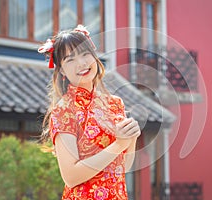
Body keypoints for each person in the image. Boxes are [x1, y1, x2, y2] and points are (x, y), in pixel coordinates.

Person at [38, 24, 141, 200]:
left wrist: (130, 140)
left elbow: (122, 168)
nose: (82, 63)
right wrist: (118, 145)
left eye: (85, 54)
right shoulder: (64, 110)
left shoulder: (115, 104)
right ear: (62, 69)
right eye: (70, 59)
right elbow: (70, 177)